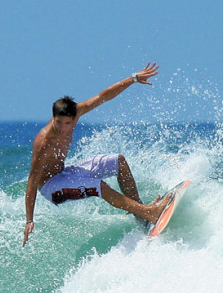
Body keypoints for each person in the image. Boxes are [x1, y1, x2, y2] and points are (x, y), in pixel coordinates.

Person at [23, 63, 171, 246]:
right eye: (59, 122)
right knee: (99, 185)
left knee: (118, 161)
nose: (63, 128)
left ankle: (142, 213)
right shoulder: (43, 142)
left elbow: (103, 96)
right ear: (53, 117)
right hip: (51, 187)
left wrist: (133, 79)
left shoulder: (76, 112)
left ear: (74, 117)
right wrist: (29, 220)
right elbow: (31, 182)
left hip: (64, 173)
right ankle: (148, 212)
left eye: (68, 123)